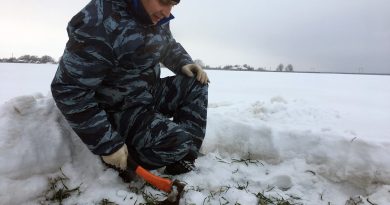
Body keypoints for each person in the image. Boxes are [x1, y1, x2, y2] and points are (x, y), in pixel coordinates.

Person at [51, 0, 209, 179]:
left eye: (172, 5)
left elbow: (166, 44)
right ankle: (123, 163)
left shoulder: (153, 13)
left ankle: (183, 158)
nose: (167, 12)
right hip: (118, 108)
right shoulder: (100, 24)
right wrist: (107, 143)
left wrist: (184, 62)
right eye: (164, 2)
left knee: (196, 83)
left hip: (146, 93)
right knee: (178, 142)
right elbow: (68, 89)